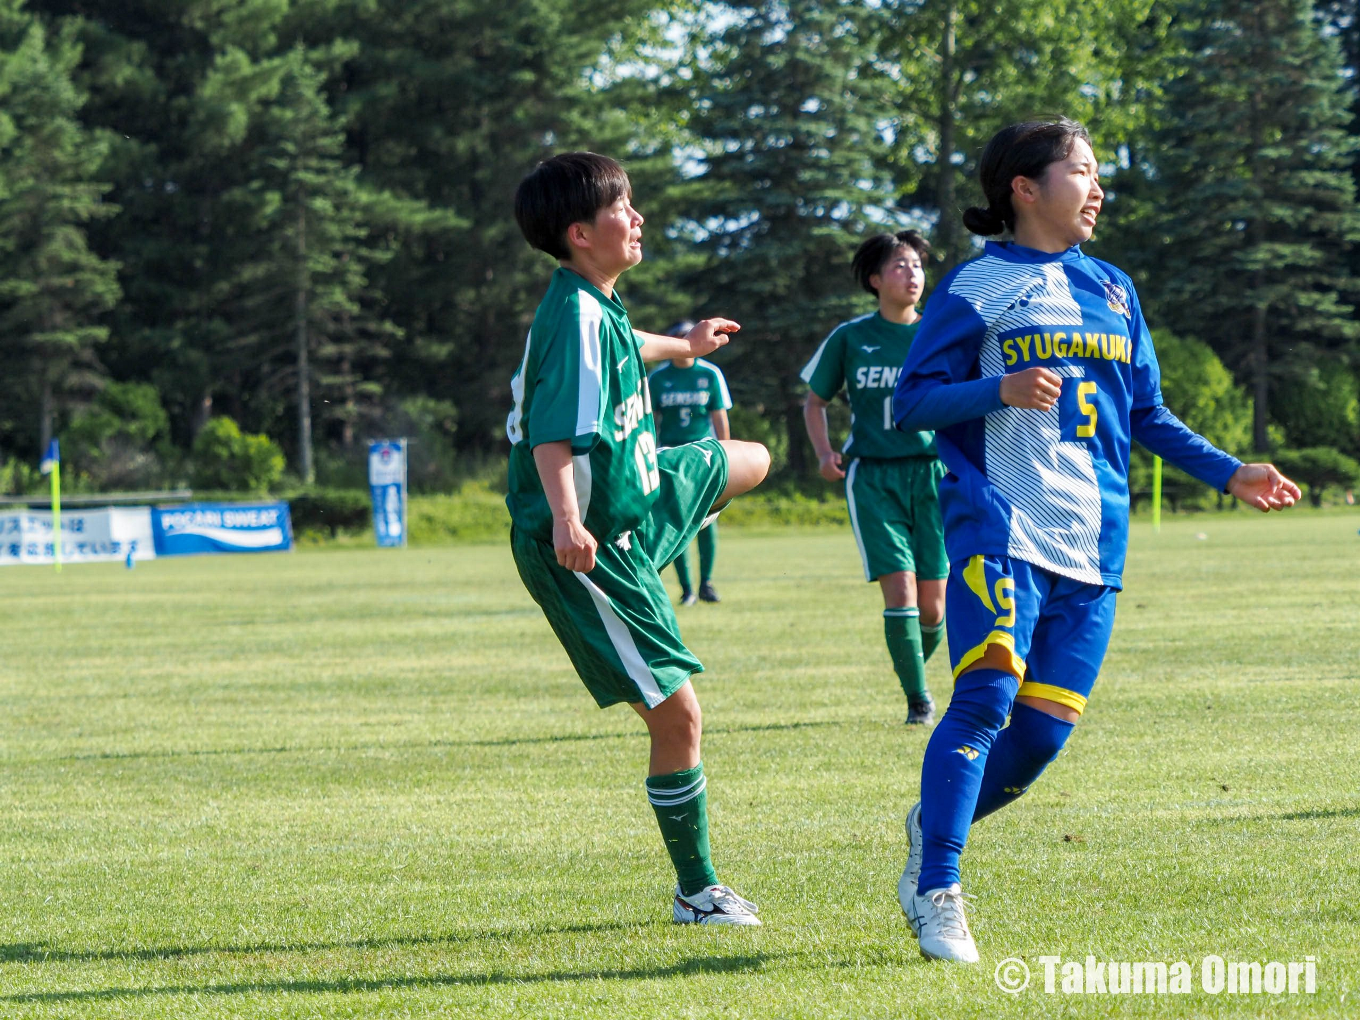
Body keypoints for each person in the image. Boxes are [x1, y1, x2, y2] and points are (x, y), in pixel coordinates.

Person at [891, 119, 1300, 963]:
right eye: (1081, 169)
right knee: (982, 703)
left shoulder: (1114, 289)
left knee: (1038, 741)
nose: (1098, 185)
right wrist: (996, 387)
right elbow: (912, 403)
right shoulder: (977, 286)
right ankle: (938, 888)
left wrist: (1230, 473)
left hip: (1093, 547)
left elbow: (1145, 412)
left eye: (1099, 171)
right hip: (998, 529)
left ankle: (934, 815)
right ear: (1025, 188)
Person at [507, 152, 772, 925]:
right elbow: (551, 441)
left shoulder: (597, 304)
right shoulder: (574, 319)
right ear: (581, 232)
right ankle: (697, 891)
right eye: (625, 206)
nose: (639, 217)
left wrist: (686, 345)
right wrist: (566, 520)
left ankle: (672, 538)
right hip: (589, 546)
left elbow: (631, 342)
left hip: (635, 507)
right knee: (679, 717)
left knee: (747, 458)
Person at [801, 231, 947, 726]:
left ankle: (911, 671)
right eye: (901, 266)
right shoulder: (850, 337)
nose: (912, 274)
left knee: (934, 608)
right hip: (873, 477)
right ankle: (918, 700)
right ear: (875, 280)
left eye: (917, 266)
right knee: (901, 591)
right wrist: (824, 452)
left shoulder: (938, 333)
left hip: (932, 476)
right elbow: (815, 400)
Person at [649, 321, 734, 605]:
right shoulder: (658, 377)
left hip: (703, 454)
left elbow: (719, 416)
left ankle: (706, 583)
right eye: (676, 336)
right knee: (676, 521)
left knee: (707, 521)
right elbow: (650, 420)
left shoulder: (709, 373)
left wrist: (726, 452)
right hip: (670, 455)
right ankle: (687, 589)